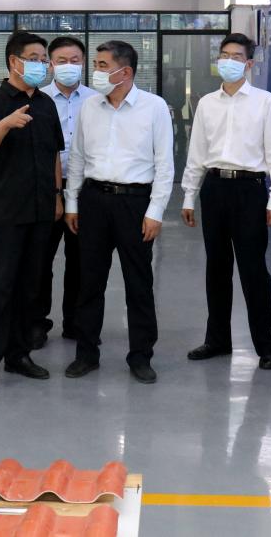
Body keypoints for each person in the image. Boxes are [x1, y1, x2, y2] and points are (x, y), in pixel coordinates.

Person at [64, 41, 175, 385]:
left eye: (102, 65)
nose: (95, 71)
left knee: (138, 283)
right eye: (95, 64)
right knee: (89, 282)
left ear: (124, 71)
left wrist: (155, 211)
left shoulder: (154, 107)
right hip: (94, 200)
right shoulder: (89, 106)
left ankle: (141, 356)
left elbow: (164, 163)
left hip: (135, 203)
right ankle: (86, 353)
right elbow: (78, 157)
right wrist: (72, 202)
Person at [180, 33, 271, 370]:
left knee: (253, 270)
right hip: (214, 188)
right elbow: (197, 152)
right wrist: (189, 195)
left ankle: (266, 345)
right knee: (216, 268)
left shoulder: (265, 102)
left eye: (236, 56)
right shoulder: (207, 103)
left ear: (249, 63)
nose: (228, 61)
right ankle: (217, 340)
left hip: (249, 191)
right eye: (224, 55)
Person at [0, 31, 64, 394]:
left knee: (30, 287)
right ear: (14, 61)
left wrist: (57, 196)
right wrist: (5, 124)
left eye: (44, 59)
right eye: (35, 58)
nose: (42, 64)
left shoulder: (46, 104)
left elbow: (54, 154)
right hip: (5, 212)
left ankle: (19, 354)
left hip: (41, 209)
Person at [30, 35, 97, 348]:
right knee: (40, 259)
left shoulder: (96, 100)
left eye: (74, 60)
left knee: (82, 260)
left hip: (85, 189)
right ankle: (37, 322)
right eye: (61, 61)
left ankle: (76, 322)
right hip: (47, 189)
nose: (68, 66)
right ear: (50, 64)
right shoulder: (38, 100)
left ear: (82, 63)